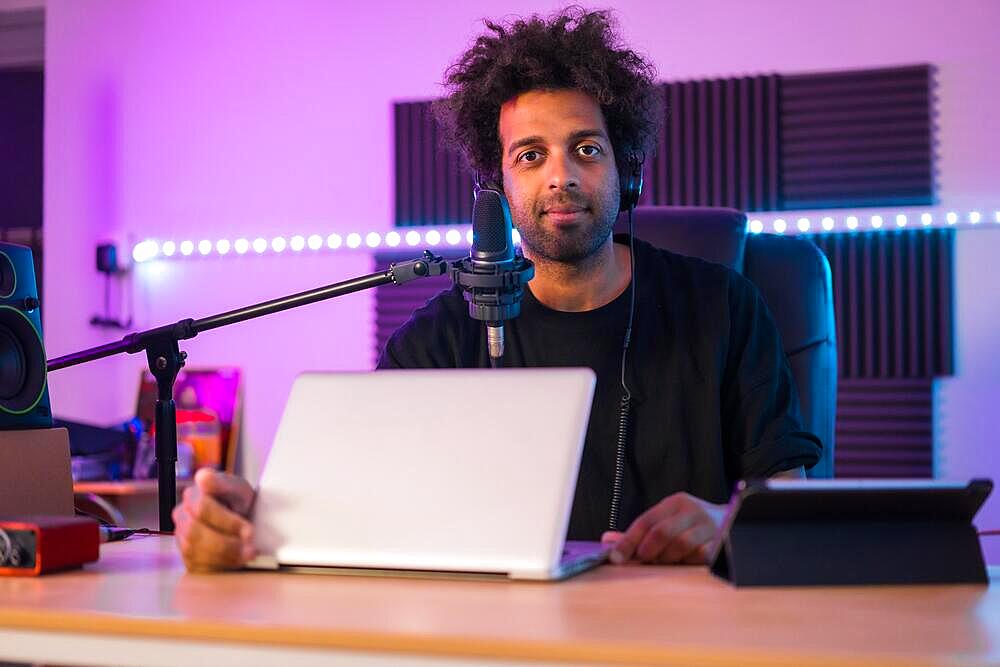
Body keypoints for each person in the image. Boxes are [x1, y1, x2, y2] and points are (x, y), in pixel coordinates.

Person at [173, 8, 821, 573]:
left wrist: (725, 518)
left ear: (629, 171)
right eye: (530, 155)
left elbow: (790, 494)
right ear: (498, 185)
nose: (561, 176)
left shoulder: (724, 306)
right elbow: (350, 506)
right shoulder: (438, 338)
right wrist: (242, 523)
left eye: (587, 149)